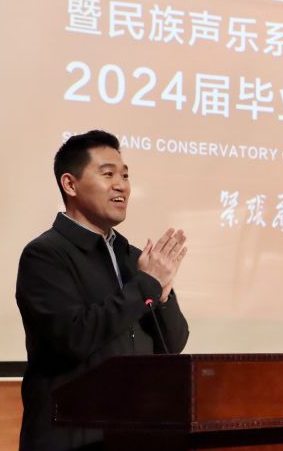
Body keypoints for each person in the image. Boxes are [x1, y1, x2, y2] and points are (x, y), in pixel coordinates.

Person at [15, 130, 189, 450]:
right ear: (70, 184)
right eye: (108, 174)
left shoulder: (136, 258)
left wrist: (162, 296)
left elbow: (172, 345)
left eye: (125, 175)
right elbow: (73, 338)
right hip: (71, 437)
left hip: (135, 434)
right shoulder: (45, 254)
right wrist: (146, 285)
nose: (121, 185)